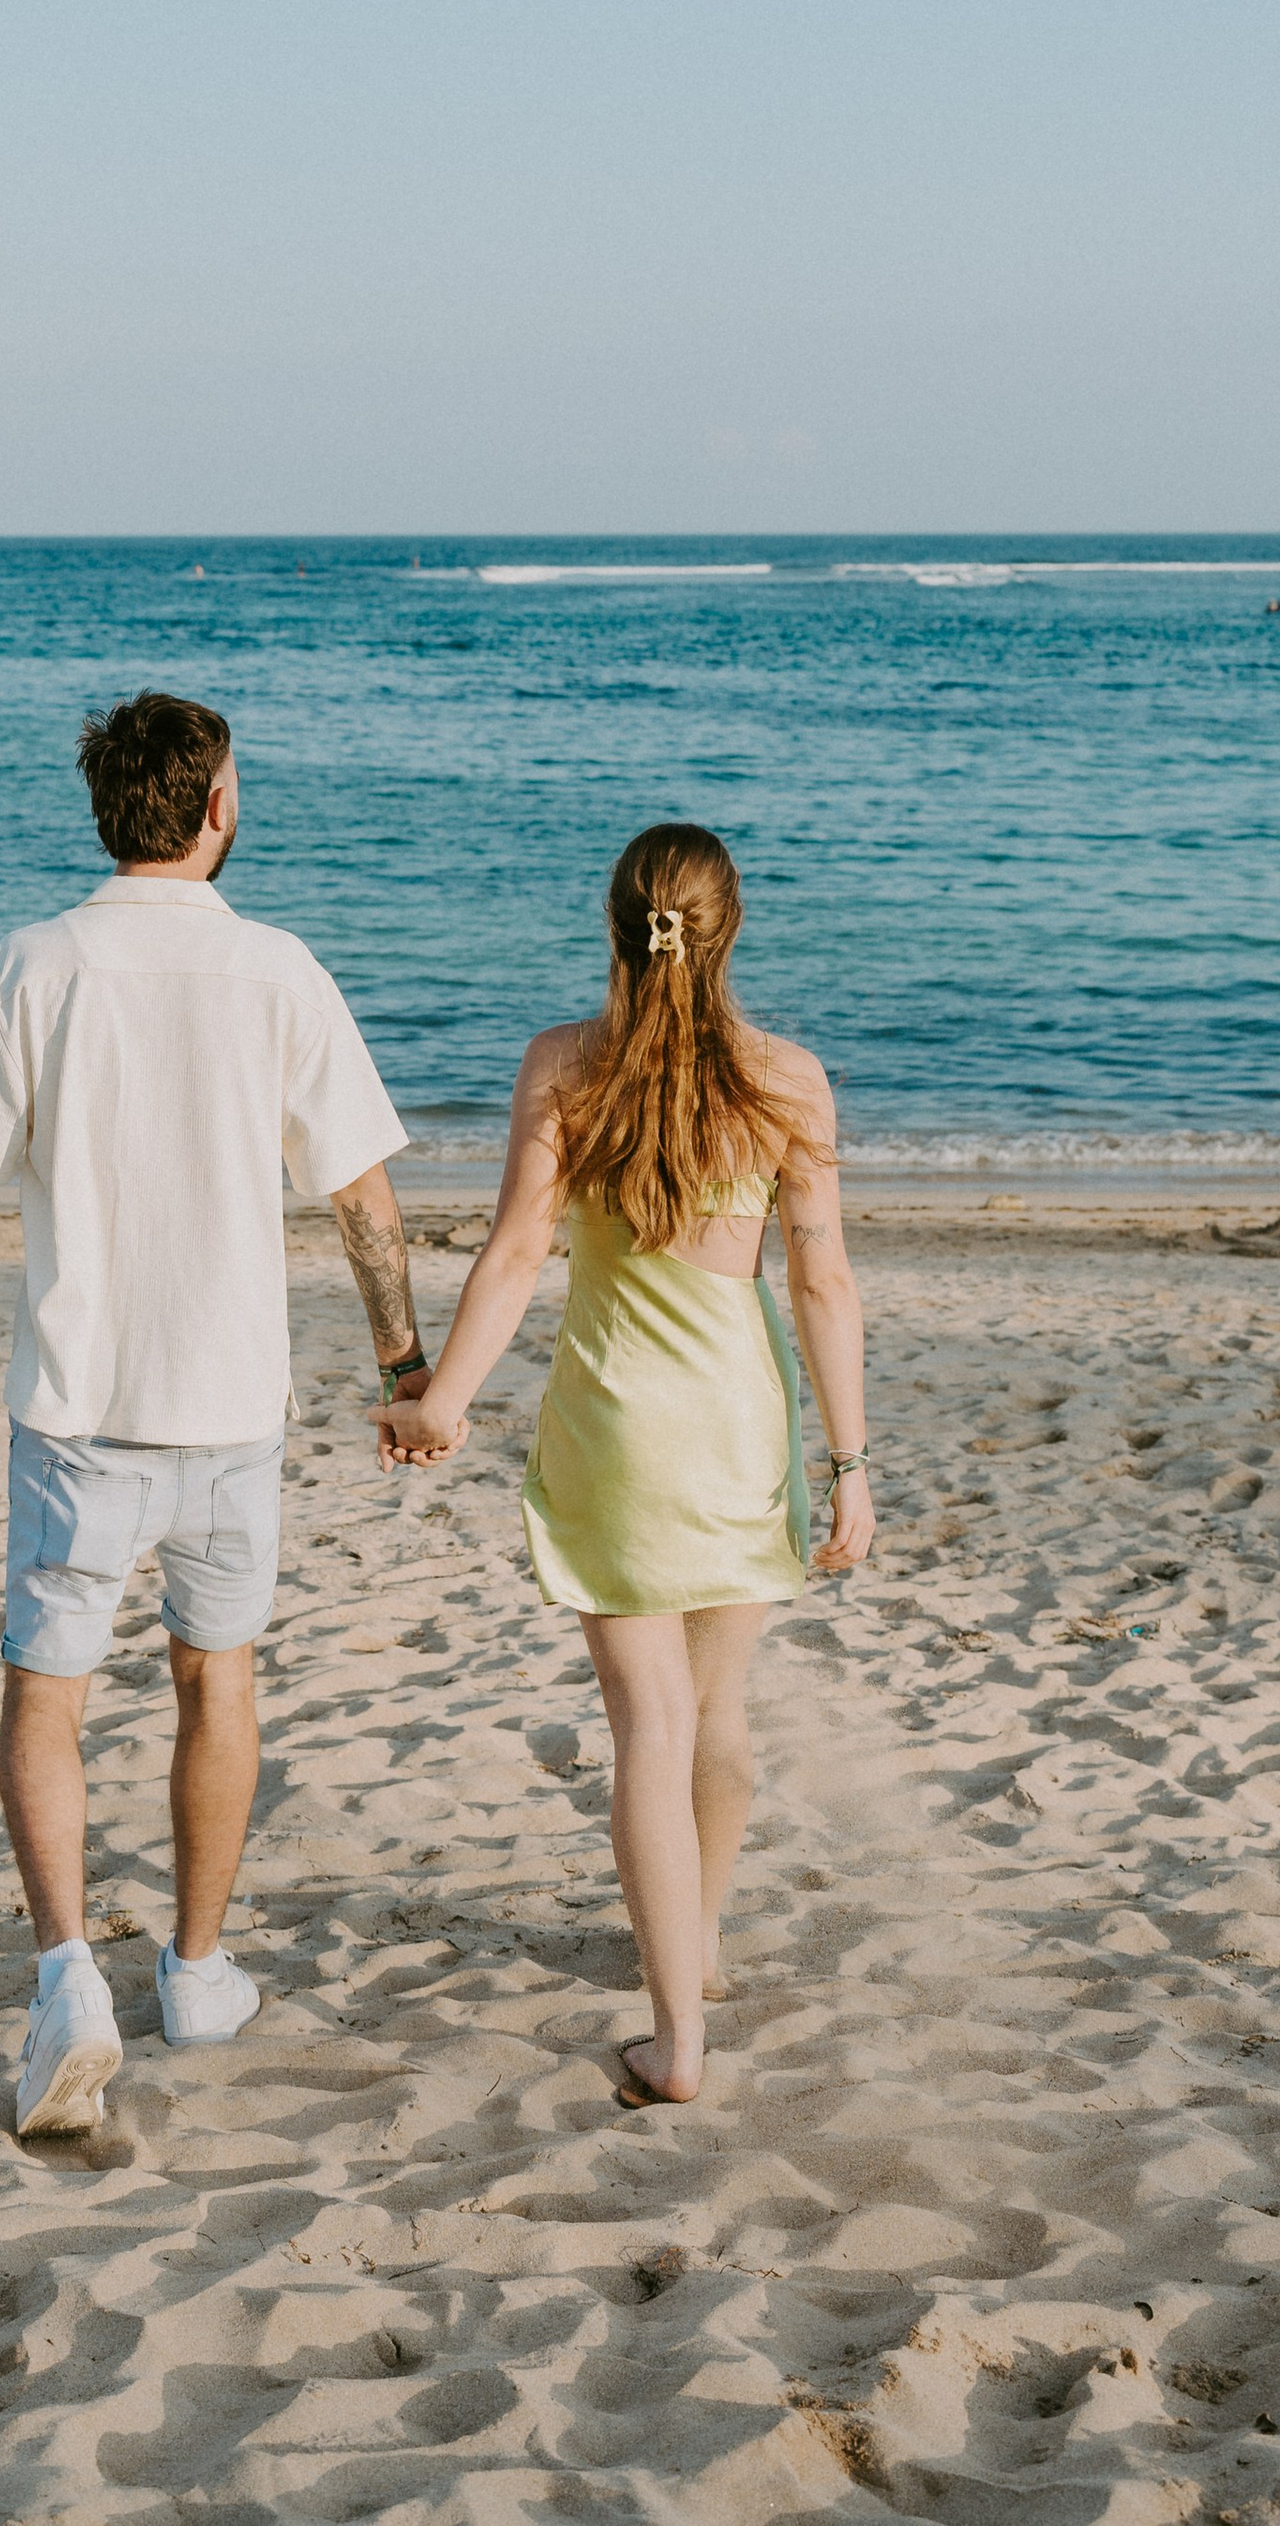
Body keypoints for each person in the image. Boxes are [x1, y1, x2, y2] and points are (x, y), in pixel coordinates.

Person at [0, 689, 434, 2139]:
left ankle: (69, 1972)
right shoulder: (277, 972)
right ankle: (196, 1971)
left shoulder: (29, 966)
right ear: (216, 810)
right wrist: (403, 1369)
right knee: (220, 1681)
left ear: (106, 812)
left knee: (47, 1694)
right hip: (228, 1407)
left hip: (81, 1405)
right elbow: (362, 1196)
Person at [376, 822, 874, 2107]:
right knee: (718, 1715)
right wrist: (851, 1462)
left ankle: (678, 2039)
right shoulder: (788, 1081)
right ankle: (695, 1954)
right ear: (730, 928)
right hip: (738, 1428)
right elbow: (820, 1280)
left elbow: (513, 1256)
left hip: (615, 1429)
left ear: (615, 924)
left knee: (648, 1726)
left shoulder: (563, 1066)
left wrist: (442, 1400)